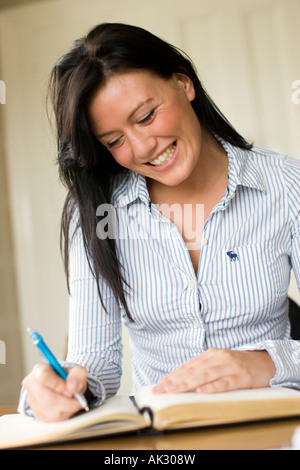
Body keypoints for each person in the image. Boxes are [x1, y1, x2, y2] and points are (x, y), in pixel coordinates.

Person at [20, 23, 300, 422]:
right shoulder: (96, 212)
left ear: (184, 83)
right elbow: (95, 363)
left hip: (274, 430)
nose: (142, 148)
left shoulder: (287, 186)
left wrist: (266, 364)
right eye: (114, 141)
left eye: (147, 116)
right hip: (161, 437)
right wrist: (62, 388)